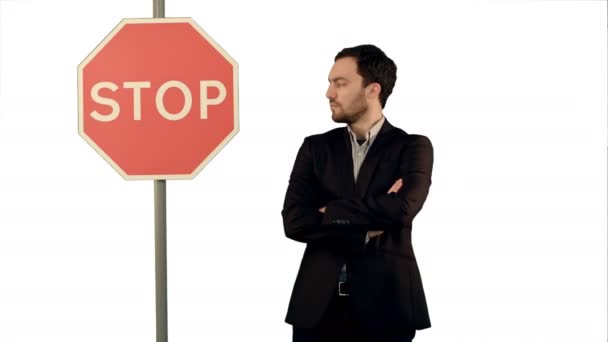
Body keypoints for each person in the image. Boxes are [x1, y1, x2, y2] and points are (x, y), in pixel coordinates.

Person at [281, 44, 434, 342]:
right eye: (330, 82)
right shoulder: (315, 148)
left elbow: (402, 208)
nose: (329, 93)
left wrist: (330, 212)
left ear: (372, 89)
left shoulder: (413, 147)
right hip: (317, 310)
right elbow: (295, 221)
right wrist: (367, 226)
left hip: (388, 307)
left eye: (340, 83)